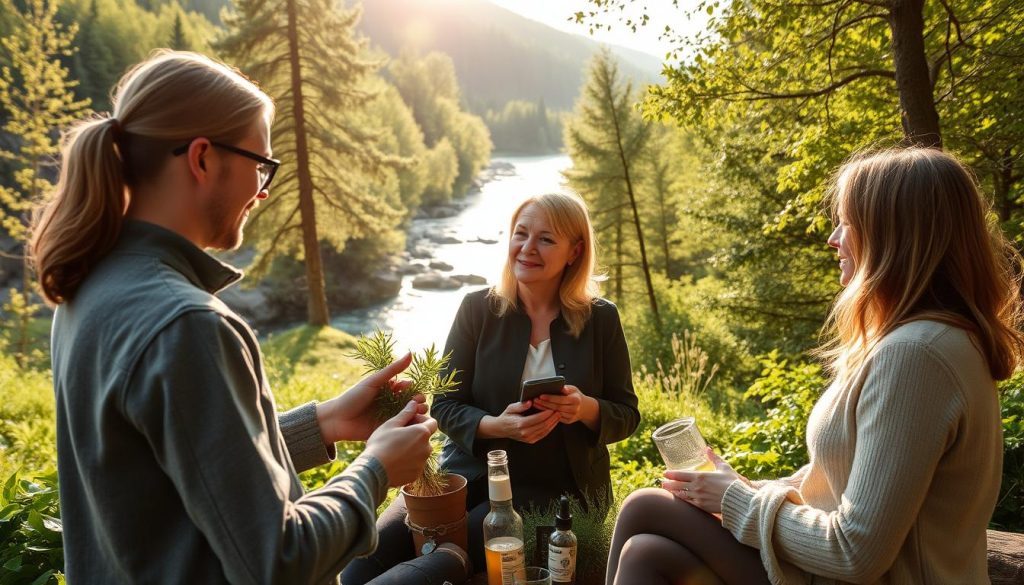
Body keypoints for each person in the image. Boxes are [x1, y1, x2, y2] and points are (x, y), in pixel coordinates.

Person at [28, 50, 457, 585]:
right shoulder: (187, 325)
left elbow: (178, 466)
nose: (263, 190)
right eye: (261, 165)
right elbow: (275, 559)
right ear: (202, 158)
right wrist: (375, 470)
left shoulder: (91, 287)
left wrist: (323, 424)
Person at [605, 147, 1024, 585]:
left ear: (893, 235)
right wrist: (746, 489)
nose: (833, 239)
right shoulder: (926, 340)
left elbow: (856, 553)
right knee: (647, 553)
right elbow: (840, 479)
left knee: (644, 509)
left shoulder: (917, 356)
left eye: (847, 222)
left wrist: (736, 501)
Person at [342, 192, 641, 582]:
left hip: (554, 489)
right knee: (361, 567)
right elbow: (445, 404)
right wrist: (496, 426)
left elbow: (627, 414)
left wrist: (584, 408)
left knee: (428, 568)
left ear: (574, 252)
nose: (527, 248)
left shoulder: (601, 318)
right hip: (468, 476)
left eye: (546, 239)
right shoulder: (477, 309)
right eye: (521, 234)